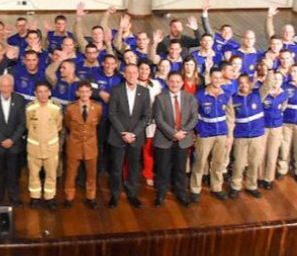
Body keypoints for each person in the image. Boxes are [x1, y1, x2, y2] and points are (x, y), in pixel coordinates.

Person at [107, 63, 152, 209]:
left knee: (133, 167)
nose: (132, 75)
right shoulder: (116, 90)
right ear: (124, 74)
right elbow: (112, 114)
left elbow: (146, 116)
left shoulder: (144, 92)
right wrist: (123, 133)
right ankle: (115, 194)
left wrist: (134, 133)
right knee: (116, 168)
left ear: (138, 74)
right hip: (118, 136)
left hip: (136, 137)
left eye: (134, 72)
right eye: (129, 72)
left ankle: (132, 193)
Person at [152, 71, 198, 208]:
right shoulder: (160, 98)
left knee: (180, 168)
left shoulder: (190, 98)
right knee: (162, 168)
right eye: (172, 81)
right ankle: (161, 193)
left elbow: (194, 118)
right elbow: (159, 120)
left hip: (183, 139)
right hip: (164, 139)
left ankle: (181, 193)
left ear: (182, 83)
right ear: (167, 82)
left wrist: (183, 132)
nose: (174, 84)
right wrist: (173, 133)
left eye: (178, 82)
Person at [190, 68, 233, 202]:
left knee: (218, 163)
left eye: (220, 78)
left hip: (221, 134)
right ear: (209, 78)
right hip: (205, 134)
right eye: (215, 77)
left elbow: (230, 116)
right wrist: (199, 130)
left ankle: (217, 187)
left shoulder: (226, 95)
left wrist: (229, 135)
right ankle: (195, 189)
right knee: (200, 162)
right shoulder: (200, 95)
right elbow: (193, 115)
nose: (218, 80)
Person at [0, 75, 27, 206]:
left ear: (12, 87)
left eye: (8, 86)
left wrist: (12, 140)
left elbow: (22, 123)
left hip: (14, 145)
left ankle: (14, 197)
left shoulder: (20, 100)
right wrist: (2, 139)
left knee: (13, 173)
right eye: (3, 86)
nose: (6, 88)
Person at [63, 81, 103, 208]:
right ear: (77, 93)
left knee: (91, 174)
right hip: (74, 145)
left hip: (91, 146)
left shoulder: (97, 108)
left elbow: (98, 123)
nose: (84, 94)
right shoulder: (70, 108)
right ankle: (69, 197)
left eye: (87, 91)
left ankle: (91, 197)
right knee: (71, 174)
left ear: (91, 93)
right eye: (82, 91)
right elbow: (68, 124)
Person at [25, 81, 63, 210]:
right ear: (35, 93)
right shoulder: (30, 108)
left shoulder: (56, 108)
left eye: (45, 91)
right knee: (33, 174)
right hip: (34, 147)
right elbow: (28, 125)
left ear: (50, 93)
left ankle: (50, 197)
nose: (42, 95)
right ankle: (35, 197)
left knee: (51, 174)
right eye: (39, 92)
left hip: (51, 148)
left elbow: (58, 125)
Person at [228, 74, 265, 199]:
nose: (243, 85)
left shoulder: (258, 95)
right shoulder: (233, 99)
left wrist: (269, 68)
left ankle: (251, 186)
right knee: (238, 163)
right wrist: (230, 136)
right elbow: (231, 118)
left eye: (246, 82)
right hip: (240, 136)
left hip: (257, 135)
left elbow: (269, 84)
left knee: (254, 162)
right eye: (241, 83)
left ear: (250, 83)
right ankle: (235, 186)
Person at [258, 71, 289, 190]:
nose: (277, 82)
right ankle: (259, 177)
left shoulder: (284, 95)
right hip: (263, 126)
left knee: (272, 154)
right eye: (275, 79)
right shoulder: (264, 93)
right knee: (261, 153)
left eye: (279, 79)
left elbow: (283, 108)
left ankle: (268, 179)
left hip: (276, 127)